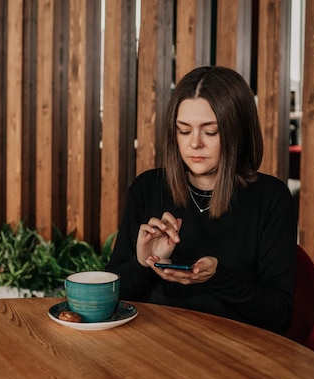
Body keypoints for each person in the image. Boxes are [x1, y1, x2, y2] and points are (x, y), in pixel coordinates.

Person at [106, 66, 297, 334]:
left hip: (234, 353)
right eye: (184, 131)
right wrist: (143, 263)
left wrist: (218, 278)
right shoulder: (148, 188)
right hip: (153, 345)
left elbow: (279, 315)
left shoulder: (270, 198)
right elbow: (114, 297)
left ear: (237, 131)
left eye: (210, 131)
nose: (194, 144)